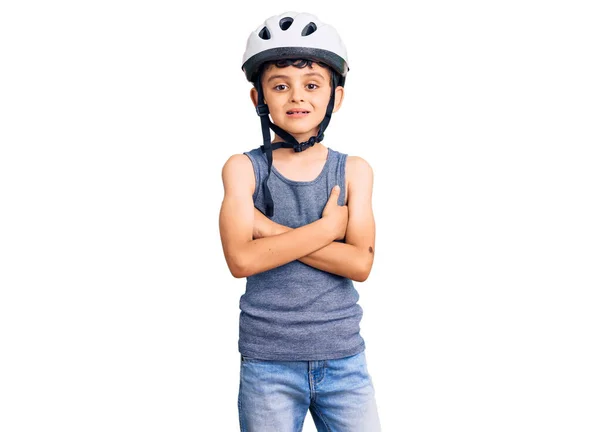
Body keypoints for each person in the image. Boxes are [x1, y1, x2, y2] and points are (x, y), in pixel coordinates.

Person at [219, 11, 382, 431]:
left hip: (343, 354)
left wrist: (269, 231)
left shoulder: (353, 171)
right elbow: (241, 260)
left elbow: (360, 265)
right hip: (267, 361)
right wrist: (329, 229)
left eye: (312, 85)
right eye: (280, 86)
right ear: (260, 100)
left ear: (335, 98)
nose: (297, 97)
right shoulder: (243, 169)